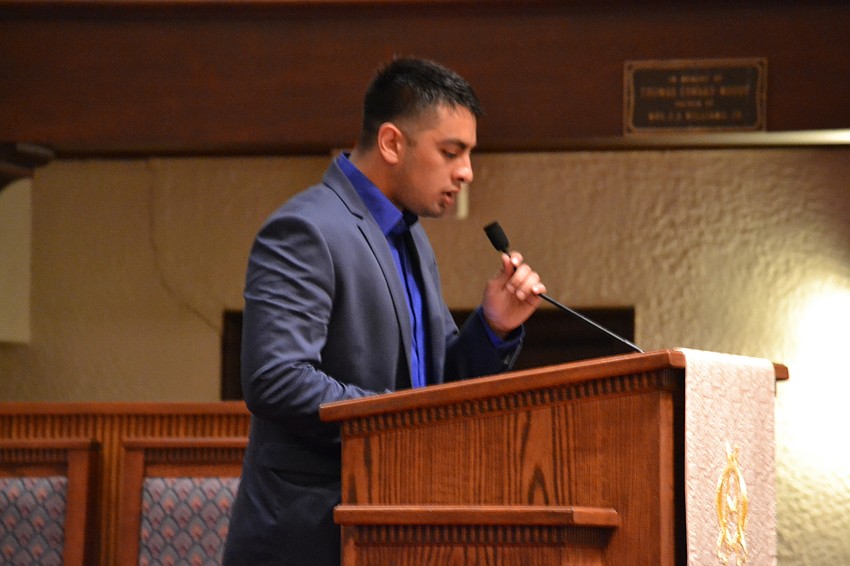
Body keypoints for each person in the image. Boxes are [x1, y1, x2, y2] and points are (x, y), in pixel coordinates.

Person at [223, 57, 546, 565]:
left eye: (468, 153)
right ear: (393, 143)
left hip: (393, 529)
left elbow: (436, 390)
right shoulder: (306, 229)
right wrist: (396, 423)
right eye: (451, 151)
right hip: (312, 539)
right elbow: (275, 379)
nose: (467, 171)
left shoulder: (410, 237)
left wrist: (493, 327)